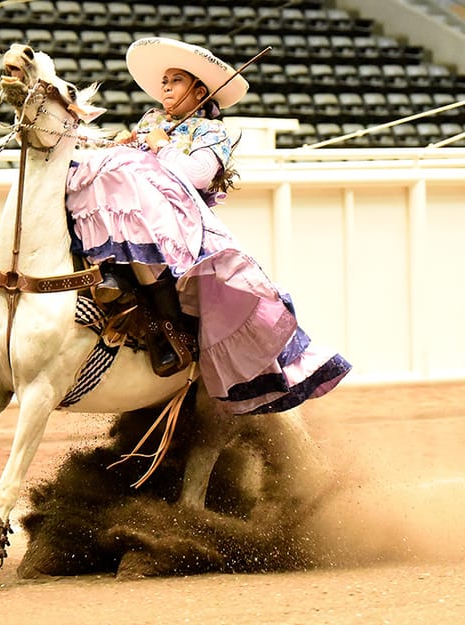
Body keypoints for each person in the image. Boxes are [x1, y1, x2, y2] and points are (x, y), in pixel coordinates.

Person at [66, 37, 351, 414]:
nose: (165, 86)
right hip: (139, 211)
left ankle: (166, 332)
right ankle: (103, 272)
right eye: (164, 80)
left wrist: (161, 146)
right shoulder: (151, 120)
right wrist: (121, 147)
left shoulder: (212, 133)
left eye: (176, 80)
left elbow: (198, 175)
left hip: (179, 218)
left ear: (200, 90)